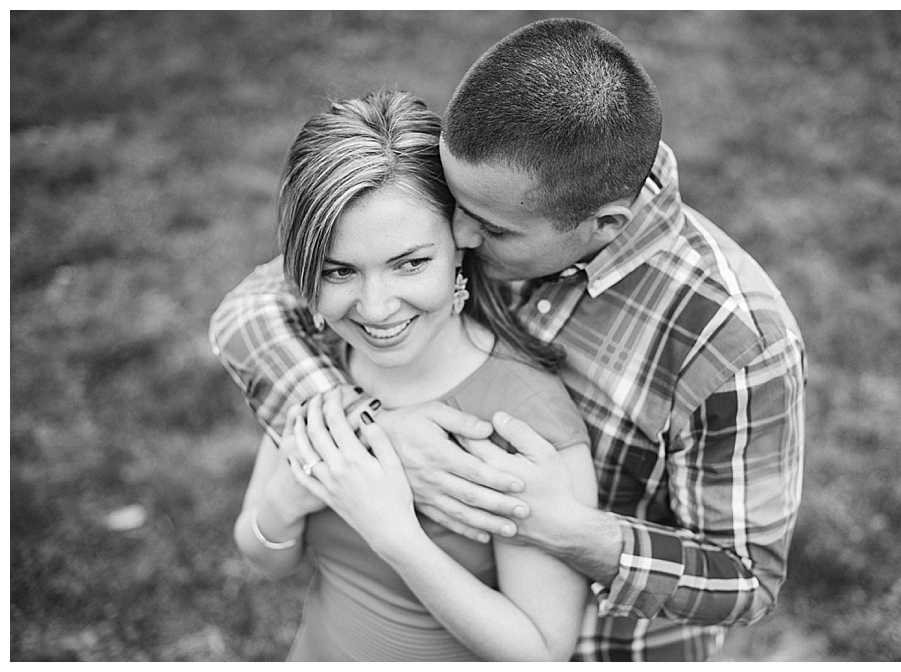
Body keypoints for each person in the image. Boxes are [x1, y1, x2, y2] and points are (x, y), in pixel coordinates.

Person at [211, 18, 806, 662]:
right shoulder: (483, 202)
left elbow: (745, 579)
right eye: (452, 210)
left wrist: (566, 529)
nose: (459, 237)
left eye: (489, 229)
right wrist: (366, 433)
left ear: (602, 226)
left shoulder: (737, 340)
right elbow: (255, 310)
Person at [229, 89, 598, 661]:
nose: (375, 309)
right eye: (339, 271)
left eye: (409, 263)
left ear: (459, 245)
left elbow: (540, 652)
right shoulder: (323, 362)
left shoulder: (521, 416)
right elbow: (262, 551)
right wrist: (290, 493)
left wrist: (395, 535)